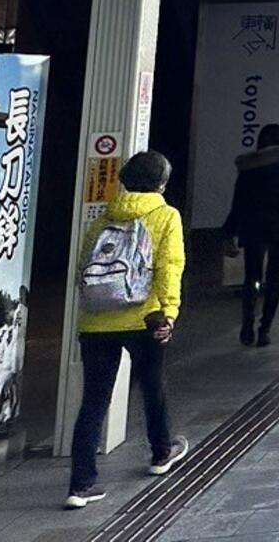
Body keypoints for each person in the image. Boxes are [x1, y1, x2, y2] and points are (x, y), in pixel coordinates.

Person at [67, 150, 188, 509]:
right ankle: (161, 453)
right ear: (162, 184)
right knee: (153, 385)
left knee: (92, 402)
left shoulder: (103, 216)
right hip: (145, 317)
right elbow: (170, 267)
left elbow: (81, 268)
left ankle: (81, 484)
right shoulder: (165, 216)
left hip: (96, 320)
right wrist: (168, 313)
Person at [224, 123, 279, 347]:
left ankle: (247, 326)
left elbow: (238, 203)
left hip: (252, 225)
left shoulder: (248, 168)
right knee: (274, 278)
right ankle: (265, 329)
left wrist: (229, 231)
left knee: (252, 278)